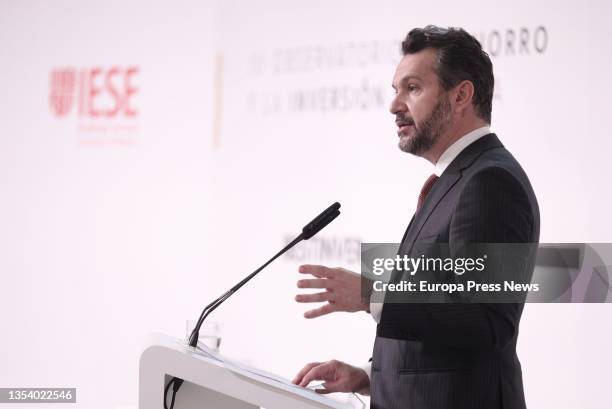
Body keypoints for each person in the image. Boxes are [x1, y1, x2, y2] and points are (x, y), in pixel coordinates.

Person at [292, 25, 540, 409]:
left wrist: (370, 294)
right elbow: (440, 325)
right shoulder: (455, 179)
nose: (394, 105)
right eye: (396, 90)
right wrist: (368, 374)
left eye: (412, 88)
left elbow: (485, 319)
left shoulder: (490, 182)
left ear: (461, 95)